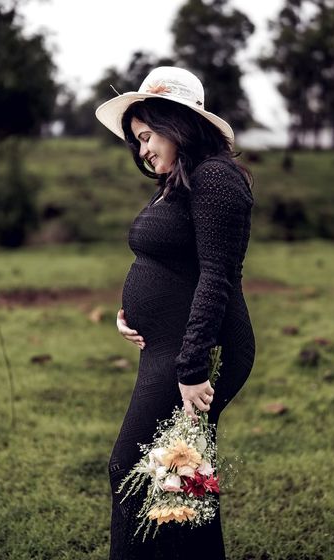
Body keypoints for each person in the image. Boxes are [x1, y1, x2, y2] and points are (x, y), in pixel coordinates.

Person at [95, 66, 256, 560]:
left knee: (132, 468)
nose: (142, 150)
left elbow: (216, 277)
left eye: (147, 136)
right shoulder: (183, 181)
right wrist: (133, 313)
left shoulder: (216, 178)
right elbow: (172, 263)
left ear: (177, 122)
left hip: (192, 355)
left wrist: (190, 370)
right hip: (169, 347)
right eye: (136, 141)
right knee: (179, 478)